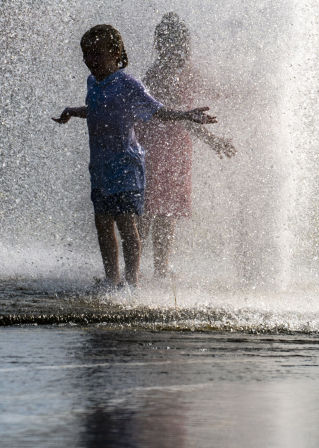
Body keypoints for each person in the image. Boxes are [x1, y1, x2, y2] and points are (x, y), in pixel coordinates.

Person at [53, 24, 216, 288]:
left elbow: (156, 110)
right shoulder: (93, 82)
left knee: (127, 224)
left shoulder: (128, 84)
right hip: (100, 167)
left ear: (116, 53)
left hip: (126, 166)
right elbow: (96, 109)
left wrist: (185, 115)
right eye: (86, 55)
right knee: (102, 222)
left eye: (97, 54)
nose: (90, 61)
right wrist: (72, 111)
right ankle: (111, 278)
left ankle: (131, 281)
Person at [137, 13, 235, 279]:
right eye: (178, 44)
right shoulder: (160, 75)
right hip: (158, 147)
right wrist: (213, 141)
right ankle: (142, 267)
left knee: (164, 209)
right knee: (152, 209)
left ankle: (158, 267)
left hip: (173, 148)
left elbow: (210, 95)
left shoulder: (177, 72)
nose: (183, 50)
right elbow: (181, 116)